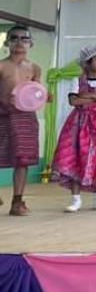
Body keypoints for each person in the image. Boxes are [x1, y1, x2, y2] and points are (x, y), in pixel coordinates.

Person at [53, 43, 96, 213]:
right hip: (78, 123)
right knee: (76, 157)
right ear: (87, 63)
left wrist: (91, 96)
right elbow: (74, 101)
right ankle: (75, 198)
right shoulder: (77, 81)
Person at [0, 26, 42, 216]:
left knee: (22, 160)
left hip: (25, 118)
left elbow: (37, 92)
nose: (19, 42)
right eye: (14, 38)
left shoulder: (34, 68)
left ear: (30, 43)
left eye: (24, 39)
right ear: (7, 42)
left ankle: (17, 202)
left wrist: (45, 97)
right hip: (2, 115)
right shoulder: (1, 66)